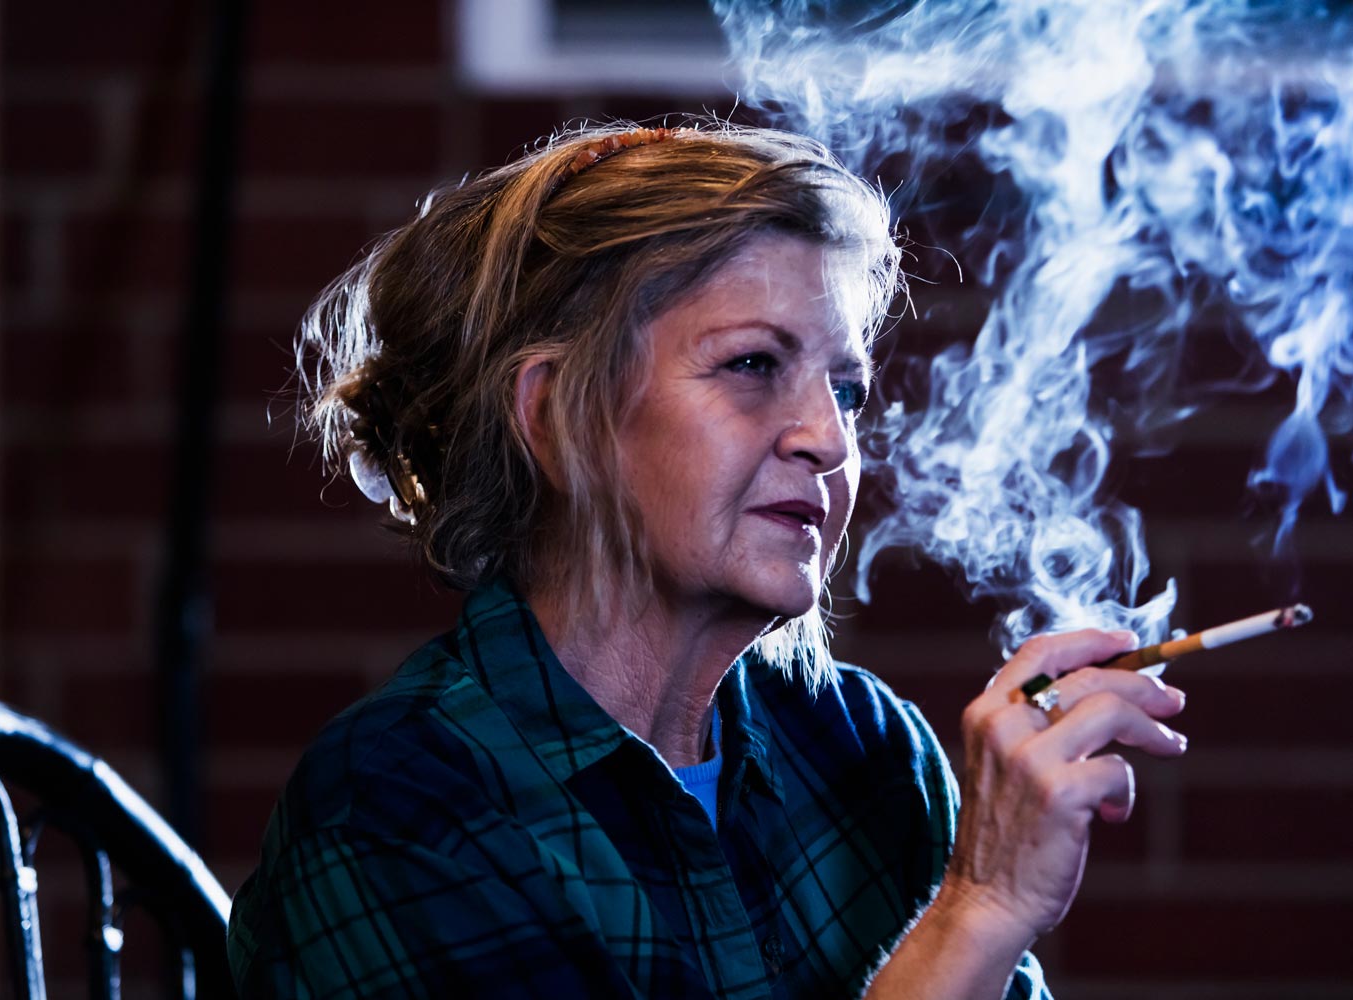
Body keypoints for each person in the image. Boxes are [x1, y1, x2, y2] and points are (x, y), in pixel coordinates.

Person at [227, 122, 1188, 998]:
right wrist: (979, 907)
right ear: (559, 419)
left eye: (846, 391)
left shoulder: (864, 747)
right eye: (752, 366)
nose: (827, 438)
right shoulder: (399, 805)